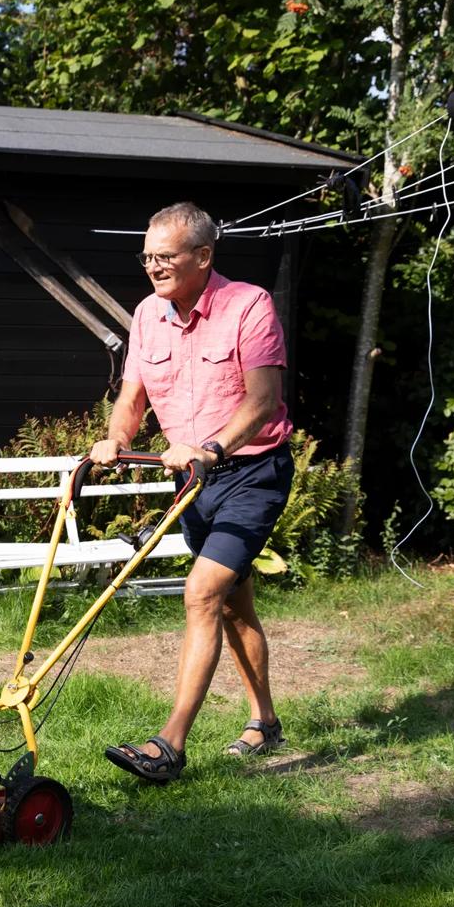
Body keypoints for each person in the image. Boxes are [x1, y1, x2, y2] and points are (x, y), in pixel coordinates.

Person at [90, 201, 295, 783]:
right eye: (147, 257)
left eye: (166, 256)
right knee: (233, 603)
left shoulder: (248, 305)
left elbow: (261, 401)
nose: (153, 267)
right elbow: (132, 397)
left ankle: (169, 745)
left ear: (203, 256)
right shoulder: (148, 315)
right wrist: (114, 439)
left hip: (250, 474)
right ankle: (265, 722)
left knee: (201, 594)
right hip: (194, 481)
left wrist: (211, 447)